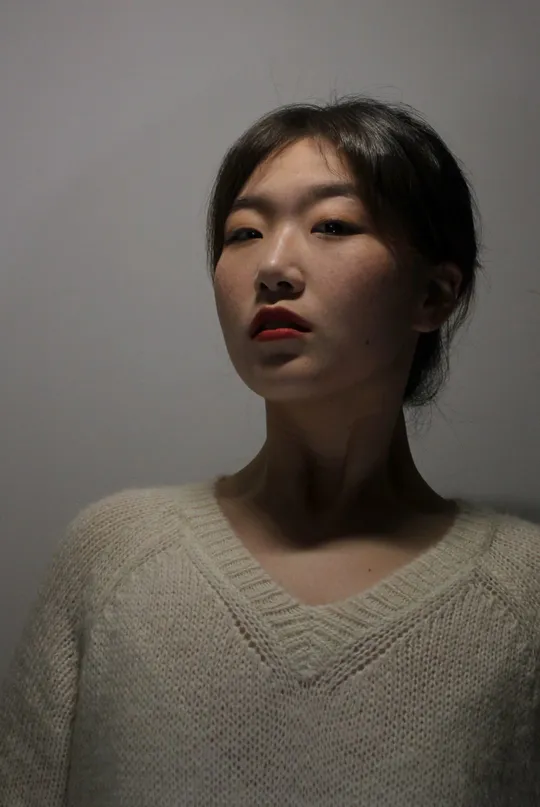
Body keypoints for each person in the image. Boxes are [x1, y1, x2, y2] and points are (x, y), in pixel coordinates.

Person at [1, 95, 539, 806]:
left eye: (333, 225)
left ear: (435, 294)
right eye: (244, 232)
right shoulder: (110, 556)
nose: (273, 266)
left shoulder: (522, 596)